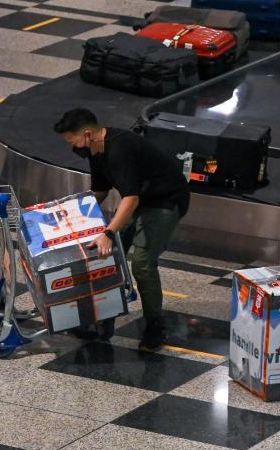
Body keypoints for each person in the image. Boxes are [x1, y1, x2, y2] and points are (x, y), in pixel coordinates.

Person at [54, 108, 190, 353]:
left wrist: (108, 233)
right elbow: (100, 191)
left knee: (142, 263)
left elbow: (131, 199)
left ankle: (155, 326)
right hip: (140, 198)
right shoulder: (95, 150)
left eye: (72, 140)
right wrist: (71, 215)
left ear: (86, 134)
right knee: (107, 256)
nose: (71, 146)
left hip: (164, 201)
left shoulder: (119, 149)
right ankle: (103, 320)